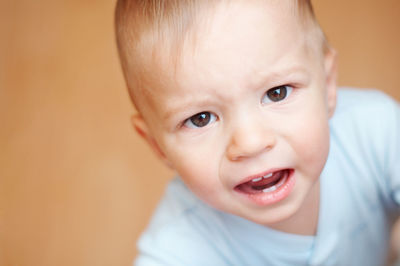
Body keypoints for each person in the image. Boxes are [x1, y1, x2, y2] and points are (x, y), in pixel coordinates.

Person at [114, 0, 400, 265]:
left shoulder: (373, 131)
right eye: (201, 119)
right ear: (157, 146)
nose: (250, 143)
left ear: (327, 86)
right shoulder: (178, 248)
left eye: (277, 93)